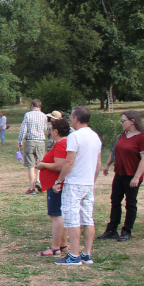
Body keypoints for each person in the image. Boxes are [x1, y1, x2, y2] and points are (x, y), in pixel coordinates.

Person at [53, 106, 102, 266]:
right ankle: (87, 253)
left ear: (75, 119)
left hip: (75, 183)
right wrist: (92, 180)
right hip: (88, 183)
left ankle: (74, 255)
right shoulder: (95, 137)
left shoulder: (75, 137)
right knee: (88, 218)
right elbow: (99, 163)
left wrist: (60, 181)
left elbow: (69, 162)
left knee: (73, 219)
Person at [99, 110, 144, 242]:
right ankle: (112, 229)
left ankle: (127, 231)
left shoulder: (143, 137)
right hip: (119, 173)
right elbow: (115, 150)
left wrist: (136, 177)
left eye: (123, 120)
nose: (121, 123)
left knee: (130, 203)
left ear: (132, 121)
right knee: (115, 201)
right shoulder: (123, 134)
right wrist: (107, 164)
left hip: (132, 175)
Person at [35, 117, 71, 256]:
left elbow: (59, 165)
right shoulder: (64, 143)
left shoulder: (62, 144)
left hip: (56, 185)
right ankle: (63, 245)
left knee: (56, 216)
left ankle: (55, 247)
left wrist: (43, 165)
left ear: (56, 131)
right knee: (60, 215)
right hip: (57, 184)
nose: (49, 132)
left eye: (50, 129)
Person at [17, 99, 49, 194]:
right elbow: (45, 128)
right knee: (39, 163)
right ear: (40, 106)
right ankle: (38, 181)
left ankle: (31, 188)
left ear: (32, 106)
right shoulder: (44, 116)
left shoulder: (28, 115)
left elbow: (23, 129)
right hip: (40, 141)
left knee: (31, 165)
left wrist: (20, 141)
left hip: (30, 141)